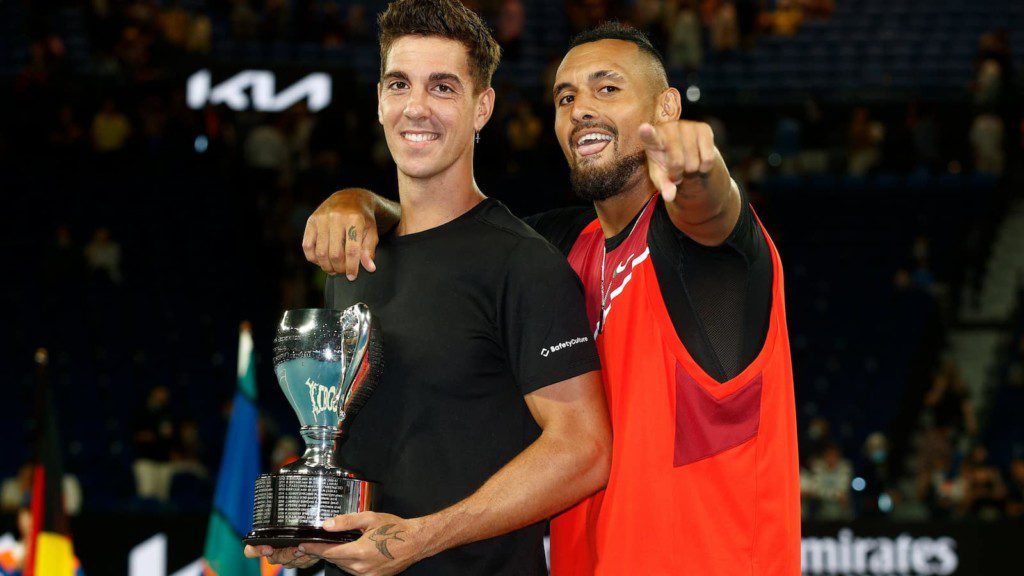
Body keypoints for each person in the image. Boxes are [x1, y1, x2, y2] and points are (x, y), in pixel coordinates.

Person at [305, 21, 801, 575]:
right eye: (566, 97)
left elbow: (712, 214)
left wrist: (702, 172)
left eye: (607, 88)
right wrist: (357, 203)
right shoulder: (565, 246)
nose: (581, 108)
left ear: (666, 108)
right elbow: (450, 236)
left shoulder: (708, 254)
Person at [245, 1, 611, 575]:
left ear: (482, 107)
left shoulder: (523, 264)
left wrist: (422, 539)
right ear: (379, 100)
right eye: (399, 84)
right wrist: (320, 530)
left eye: (443, 87)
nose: (416, 108)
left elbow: (584, 450)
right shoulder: (354, 259)